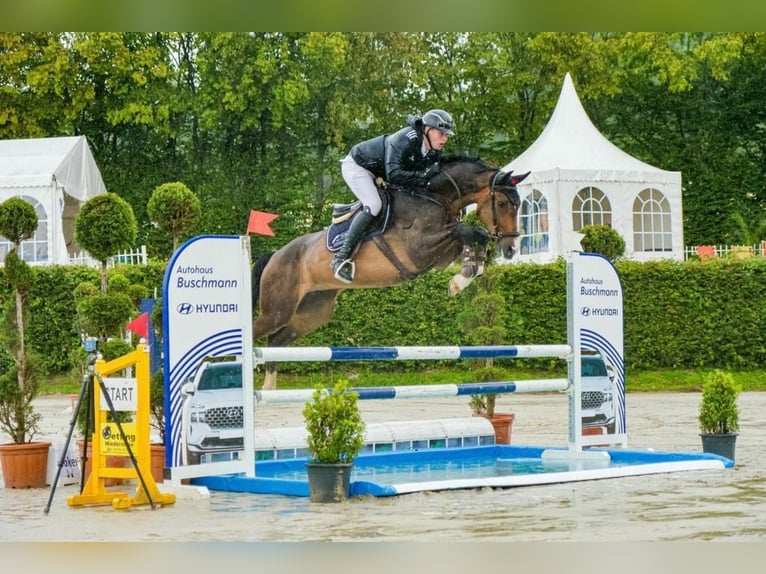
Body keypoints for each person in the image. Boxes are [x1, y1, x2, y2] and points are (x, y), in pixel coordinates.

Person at [331, 109, 455, 283]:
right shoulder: (405, 139)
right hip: (358, 167)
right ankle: (340, 259)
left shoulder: (433, 150)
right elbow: (395, 174)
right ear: (427, 129)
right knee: (374, 205)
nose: (445, 139)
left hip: (381, 171)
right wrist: (425, 178)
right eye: (441, 133)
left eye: (447, 135)